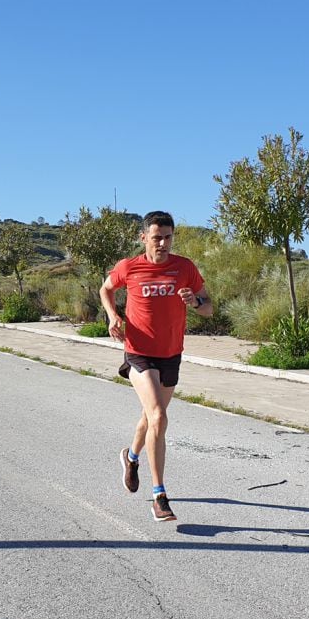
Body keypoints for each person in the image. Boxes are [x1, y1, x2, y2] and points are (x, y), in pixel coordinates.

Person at [99, 211, 212, 522]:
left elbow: (209, 308)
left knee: (150, 419)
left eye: (168, 237)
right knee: (159, 417)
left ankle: (131, 458)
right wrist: (113, 316)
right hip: (138, 352)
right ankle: (159, 495)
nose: (162, 243)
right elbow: (105, 289)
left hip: (171, 354)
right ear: (143, 238)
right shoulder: (129, 267)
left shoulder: (185, 268)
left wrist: (196, 303)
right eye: (156, 237)